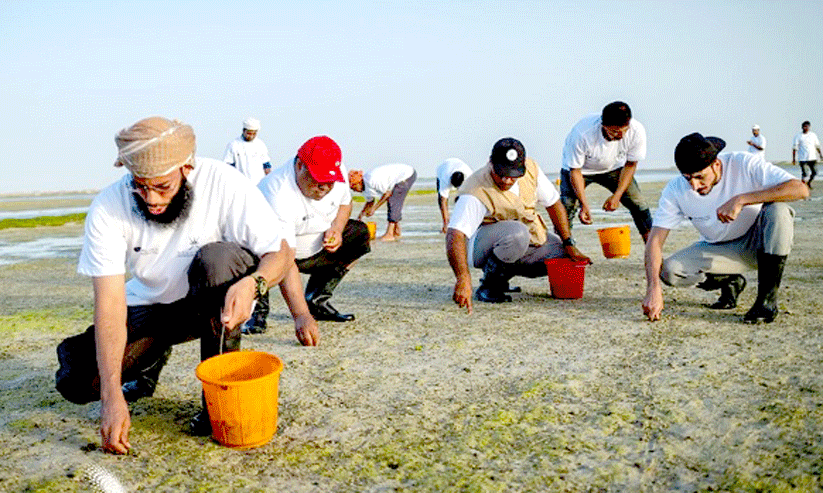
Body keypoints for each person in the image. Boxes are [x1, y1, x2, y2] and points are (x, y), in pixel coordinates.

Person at [54, 117, 294, 454]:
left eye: (162, 186)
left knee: (218, 259)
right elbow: (110, 303)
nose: (150, 198)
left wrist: (255, 284)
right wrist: (112, 396)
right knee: (77, 382)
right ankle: (150, 360)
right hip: (153, 310)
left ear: (186, 167)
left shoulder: (223, 182)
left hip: (212, 300)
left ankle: (216, 401)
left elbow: (280, 252)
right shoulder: (107, 208)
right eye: (139, 185)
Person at [643, 133, 808, 324]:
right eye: (688, 178)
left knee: (779, 210)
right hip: (718, 249)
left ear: (717, 165)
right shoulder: (675, 190)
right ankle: (730, 281)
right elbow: (655, 241)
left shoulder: (744, 163)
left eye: (699, 177)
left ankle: (767, 301)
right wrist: (653, 289)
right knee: (670, 271)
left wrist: (741, 199)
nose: (694, 186)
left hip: (761, 243)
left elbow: (800, 190)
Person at [446, 138, 590, 312]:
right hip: (479, 247)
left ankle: (503, 276)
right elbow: (455, 234)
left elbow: (554, 204)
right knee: (518, 233)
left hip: (516, 242)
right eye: (501, 174)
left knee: (561, 255)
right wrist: (463, 279)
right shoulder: (475, 188)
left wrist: (568, 243)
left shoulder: (532, 171)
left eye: (513, 175)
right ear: (491, 163)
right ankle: (489, 285)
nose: (507, 181)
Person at [258, 136, 370, 335]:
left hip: (317, 247)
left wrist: (336, 228)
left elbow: (345, 203)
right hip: (277, 256)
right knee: (251, 253)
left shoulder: (337, 171)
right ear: (300, 165)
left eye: (330, 182)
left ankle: (317, 300)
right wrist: (301, 316)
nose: (325, 187)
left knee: (359, 233)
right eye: (319, 180)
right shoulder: (276, 191)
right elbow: (285, 256)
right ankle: (257, 312)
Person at [560, 101, 653, 242]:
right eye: (615, 131)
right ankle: (563, 247)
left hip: (614, 168)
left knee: (638, 202)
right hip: (579, 171)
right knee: (566, 206)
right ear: (603, 125)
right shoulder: (582, 133)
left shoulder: (636, 131)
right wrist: (584, 204)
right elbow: (575, 171)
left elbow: (630, 165)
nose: (620, 136)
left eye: (624, 130)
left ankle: (652, 247)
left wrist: (617, 196)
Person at [349, 163, 417, 241]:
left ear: (358, 183)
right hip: (398, 178)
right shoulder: (365, 189)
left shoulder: (372, 180)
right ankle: (396, 231)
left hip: (406, 174)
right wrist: (360, 216)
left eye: (354, 188)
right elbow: (370, 202)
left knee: (393, 200)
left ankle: (390, 234)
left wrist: (374, 208)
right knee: (393, 200)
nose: (355, 191)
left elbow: (387, 194)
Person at [223, 117, 272, 185]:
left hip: (259, 183)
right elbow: (228, 166)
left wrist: (269, 179)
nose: (251, 136)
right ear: (244, 131)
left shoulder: (260, 145)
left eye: (254, 134)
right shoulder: (234, 145)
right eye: (249, 133)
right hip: (240, 183)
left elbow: (266, 165)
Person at [435, 158, 473, 233]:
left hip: (459, 170)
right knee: (441, 198)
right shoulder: (444, 178)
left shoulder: (469, 175)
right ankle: (446, 223)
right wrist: (446, 224)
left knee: (464, 198)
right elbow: (443, 201)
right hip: (442, 169)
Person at [792, 121, 822, 189]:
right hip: (803, 158)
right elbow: (794, 148)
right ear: (802, 127)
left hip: (812, 157)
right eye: (804, 126)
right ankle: (802, 186)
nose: (805, 128)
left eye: (807, 126)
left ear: (809, 127)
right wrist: (794, 159)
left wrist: (820, 155)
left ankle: (809, 182)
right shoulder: (798, 136)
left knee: (815, 172)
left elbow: (817, 146)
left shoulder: (813, 135)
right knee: (805, 173)